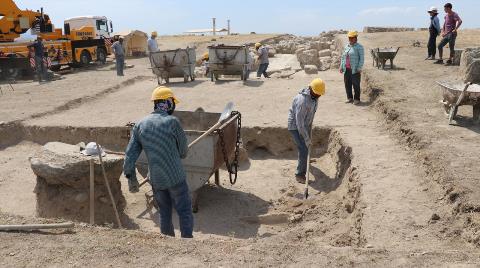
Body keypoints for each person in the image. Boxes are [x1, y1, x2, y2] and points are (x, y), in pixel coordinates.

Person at [123, 86, 193, 238]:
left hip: (156, 179)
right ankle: (188, 242)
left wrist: (132, 181)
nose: (173, 106)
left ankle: (167, 240)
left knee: (164, 211)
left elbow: (129, 156)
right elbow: (183, 153)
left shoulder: (140, 125)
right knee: (184, 210)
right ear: (167, 103)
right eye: (172, 102)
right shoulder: (173, 122)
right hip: (176, 177)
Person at [287, 78, 325, 184]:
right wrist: (306, 138)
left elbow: (312, 110)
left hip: (305, 124)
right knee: (303, 147)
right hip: (295, 126)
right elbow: (299, 123)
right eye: (318, 93)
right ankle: (299, 174)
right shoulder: (302, 101)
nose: (319, 95)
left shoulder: (314, 96)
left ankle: (305, 161)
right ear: (311, 89)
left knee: (305, 147)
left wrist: (309, 126)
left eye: (320, 94)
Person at [340, 31, 364, 105]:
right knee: (347, 84)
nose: (350, 39)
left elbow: (362, 59)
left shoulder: (359, 47)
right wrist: (341, 66)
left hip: (355, 69)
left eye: (351, 38)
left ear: (355, 38)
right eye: (349, 38)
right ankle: (349, 98)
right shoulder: (347, 46)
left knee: (356, 84)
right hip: (346, 69)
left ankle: (357, 99)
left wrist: (359, 67)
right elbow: (343, 57)